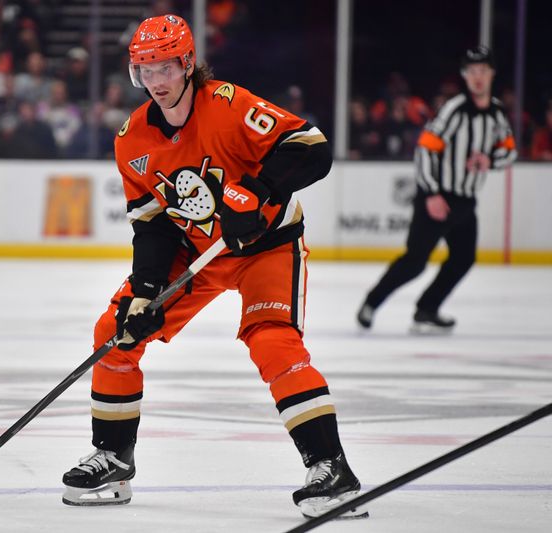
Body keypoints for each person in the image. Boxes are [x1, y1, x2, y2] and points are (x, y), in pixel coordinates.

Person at [60, 15, 367, 520]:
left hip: (266, 246)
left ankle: (331, 466)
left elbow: (311, 146)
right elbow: (152, 226)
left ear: (187, 64)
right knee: (116, 332)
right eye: (145, 70)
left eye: (164, 67)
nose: (156, 81)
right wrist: (146, 290)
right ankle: (113, 458)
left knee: (272, 341)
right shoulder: (131, 140)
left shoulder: (228, 105)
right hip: (195, 253)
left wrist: (260, 190)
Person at [356, 46, 517, 333]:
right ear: (465, 75)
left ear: (492, 74)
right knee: (415, 262)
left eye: (483, 71)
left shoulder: (496, 112)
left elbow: (509, 151)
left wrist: (489, 160)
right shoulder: (454, 110)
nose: (478, 77)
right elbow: (425, 150)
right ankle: (372, 302)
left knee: (464, 258)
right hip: (437, 197)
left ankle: (427, 309)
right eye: (472, 71)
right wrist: (431, 194)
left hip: (465, 201)